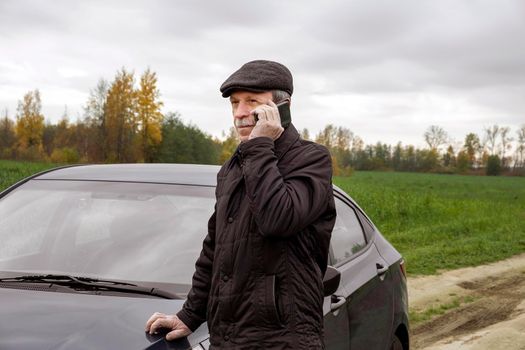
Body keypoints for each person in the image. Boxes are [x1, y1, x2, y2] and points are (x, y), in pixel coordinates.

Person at [145, 60, 336, 349]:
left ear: (282, 107)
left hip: (283, 339)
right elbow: (215, 247)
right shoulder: (233, 168)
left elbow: (278, 219)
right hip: (228, 338)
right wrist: (189, 315)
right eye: (235, 103)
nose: (240, 112)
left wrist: (259, 145)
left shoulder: (311, 160)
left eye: (252, 102)